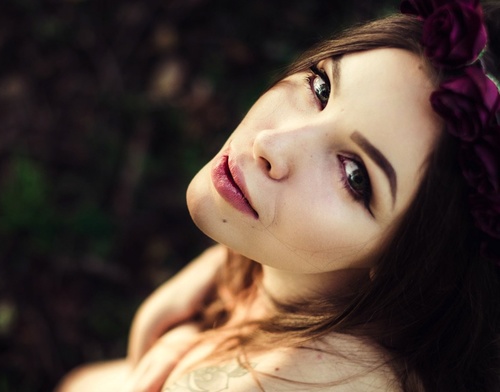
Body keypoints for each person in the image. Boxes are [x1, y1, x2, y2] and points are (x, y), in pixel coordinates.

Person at [56, 0, 500, 391]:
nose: (273, 143)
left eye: (355, 176)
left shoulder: (293, 380)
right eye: (321, 89)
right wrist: (213, 289)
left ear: (415, 264)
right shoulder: (321, 280)